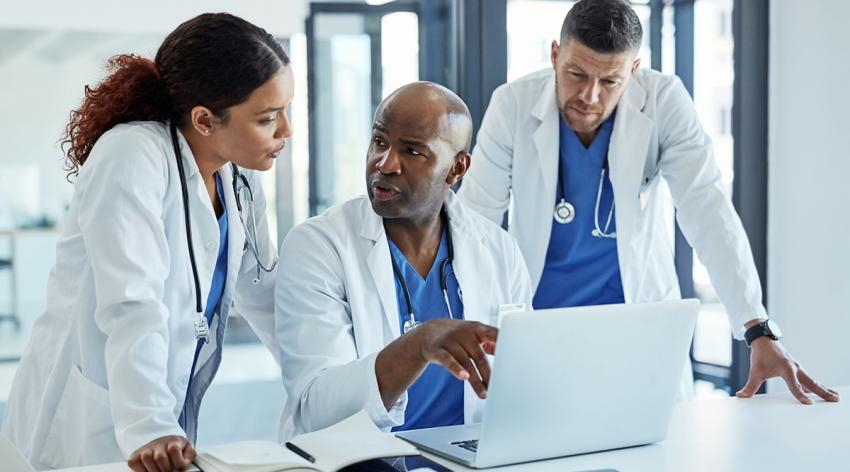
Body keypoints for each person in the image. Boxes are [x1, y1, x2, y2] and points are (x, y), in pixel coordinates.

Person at [458, 0, 838, 403]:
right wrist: (456, 325)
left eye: (609, 82)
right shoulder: (512, 105)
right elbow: (474, 223)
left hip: (637, 333)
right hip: (540, 331)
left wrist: (756, 328)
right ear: (555, 55)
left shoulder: (664, 101)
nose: (589, 96)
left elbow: (708, 212)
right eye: (576, 74)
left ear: (634, 71)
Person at [1, 13, 293, 471]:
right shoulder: (131, 154)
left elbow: (266, 293)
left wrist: (331, 376)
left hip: (161, 415)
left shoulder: (238, 179)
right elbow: (131, 301)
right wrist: (151, 425)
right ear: (204, 120)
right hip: (94, 416)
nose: (286, 132)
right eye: (268, 118)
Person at [275, 82, 533, 438]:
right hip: (362, 461)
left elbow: (519, 380)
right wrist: (420, 344)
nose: (385, 163)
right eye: (380, 141)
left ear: (457, 168)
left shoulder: (499, 251)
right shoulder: (319, 246)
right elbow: (316, 409)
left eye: (412, 151)